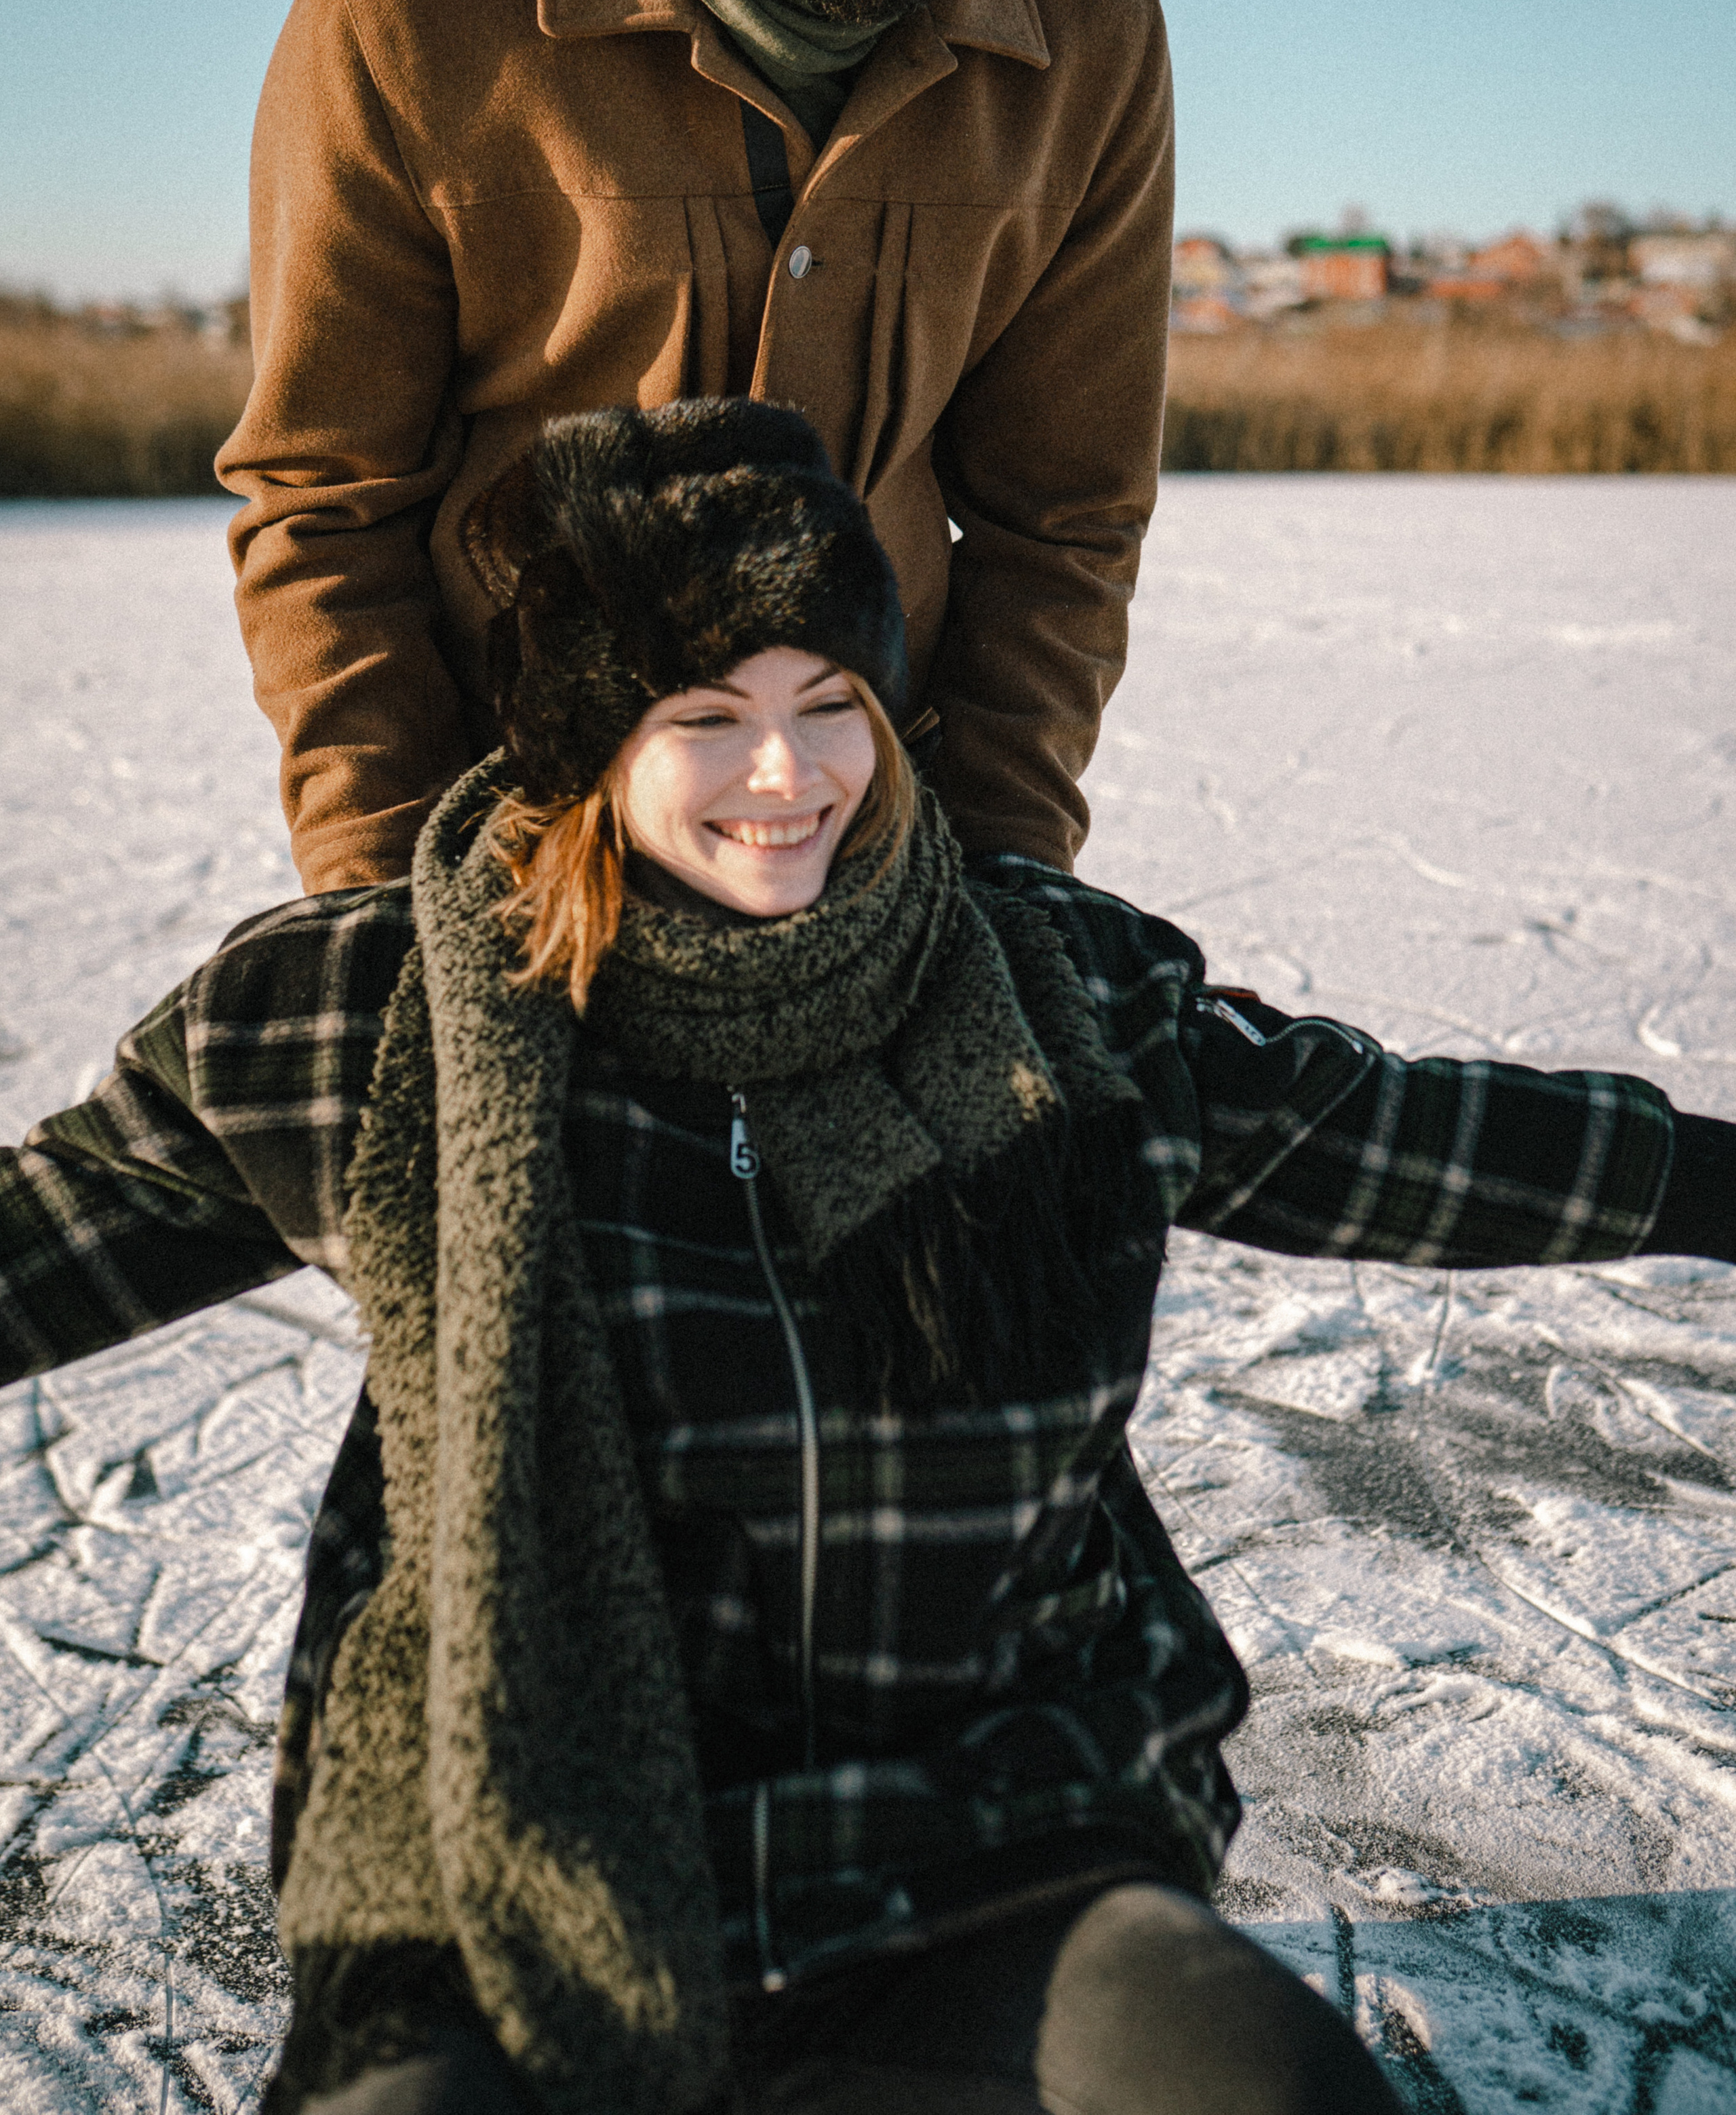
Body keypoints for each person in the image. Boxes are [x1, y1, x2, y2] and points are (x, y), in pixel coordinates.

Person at [4, 403, 1729, 2115]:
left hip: (984, 1824)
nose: (788, 775)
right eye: (707, 718)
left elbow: (1391, 1137)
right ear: (586, 745)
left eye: (829, 703)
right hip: (513, 1849)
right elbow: (55, 1233)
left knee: (1262, 2087)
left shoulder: (1053, 992)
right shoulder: (374, 1021)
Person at [218, 0, 1175, 900]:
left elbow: (1064, 521)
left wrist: (1002, 874)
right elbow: (327, 506)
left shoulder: (1091, 35)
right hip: (520, 855)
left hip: (874, 850)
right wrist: (382, 901)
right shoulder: (404, 10)